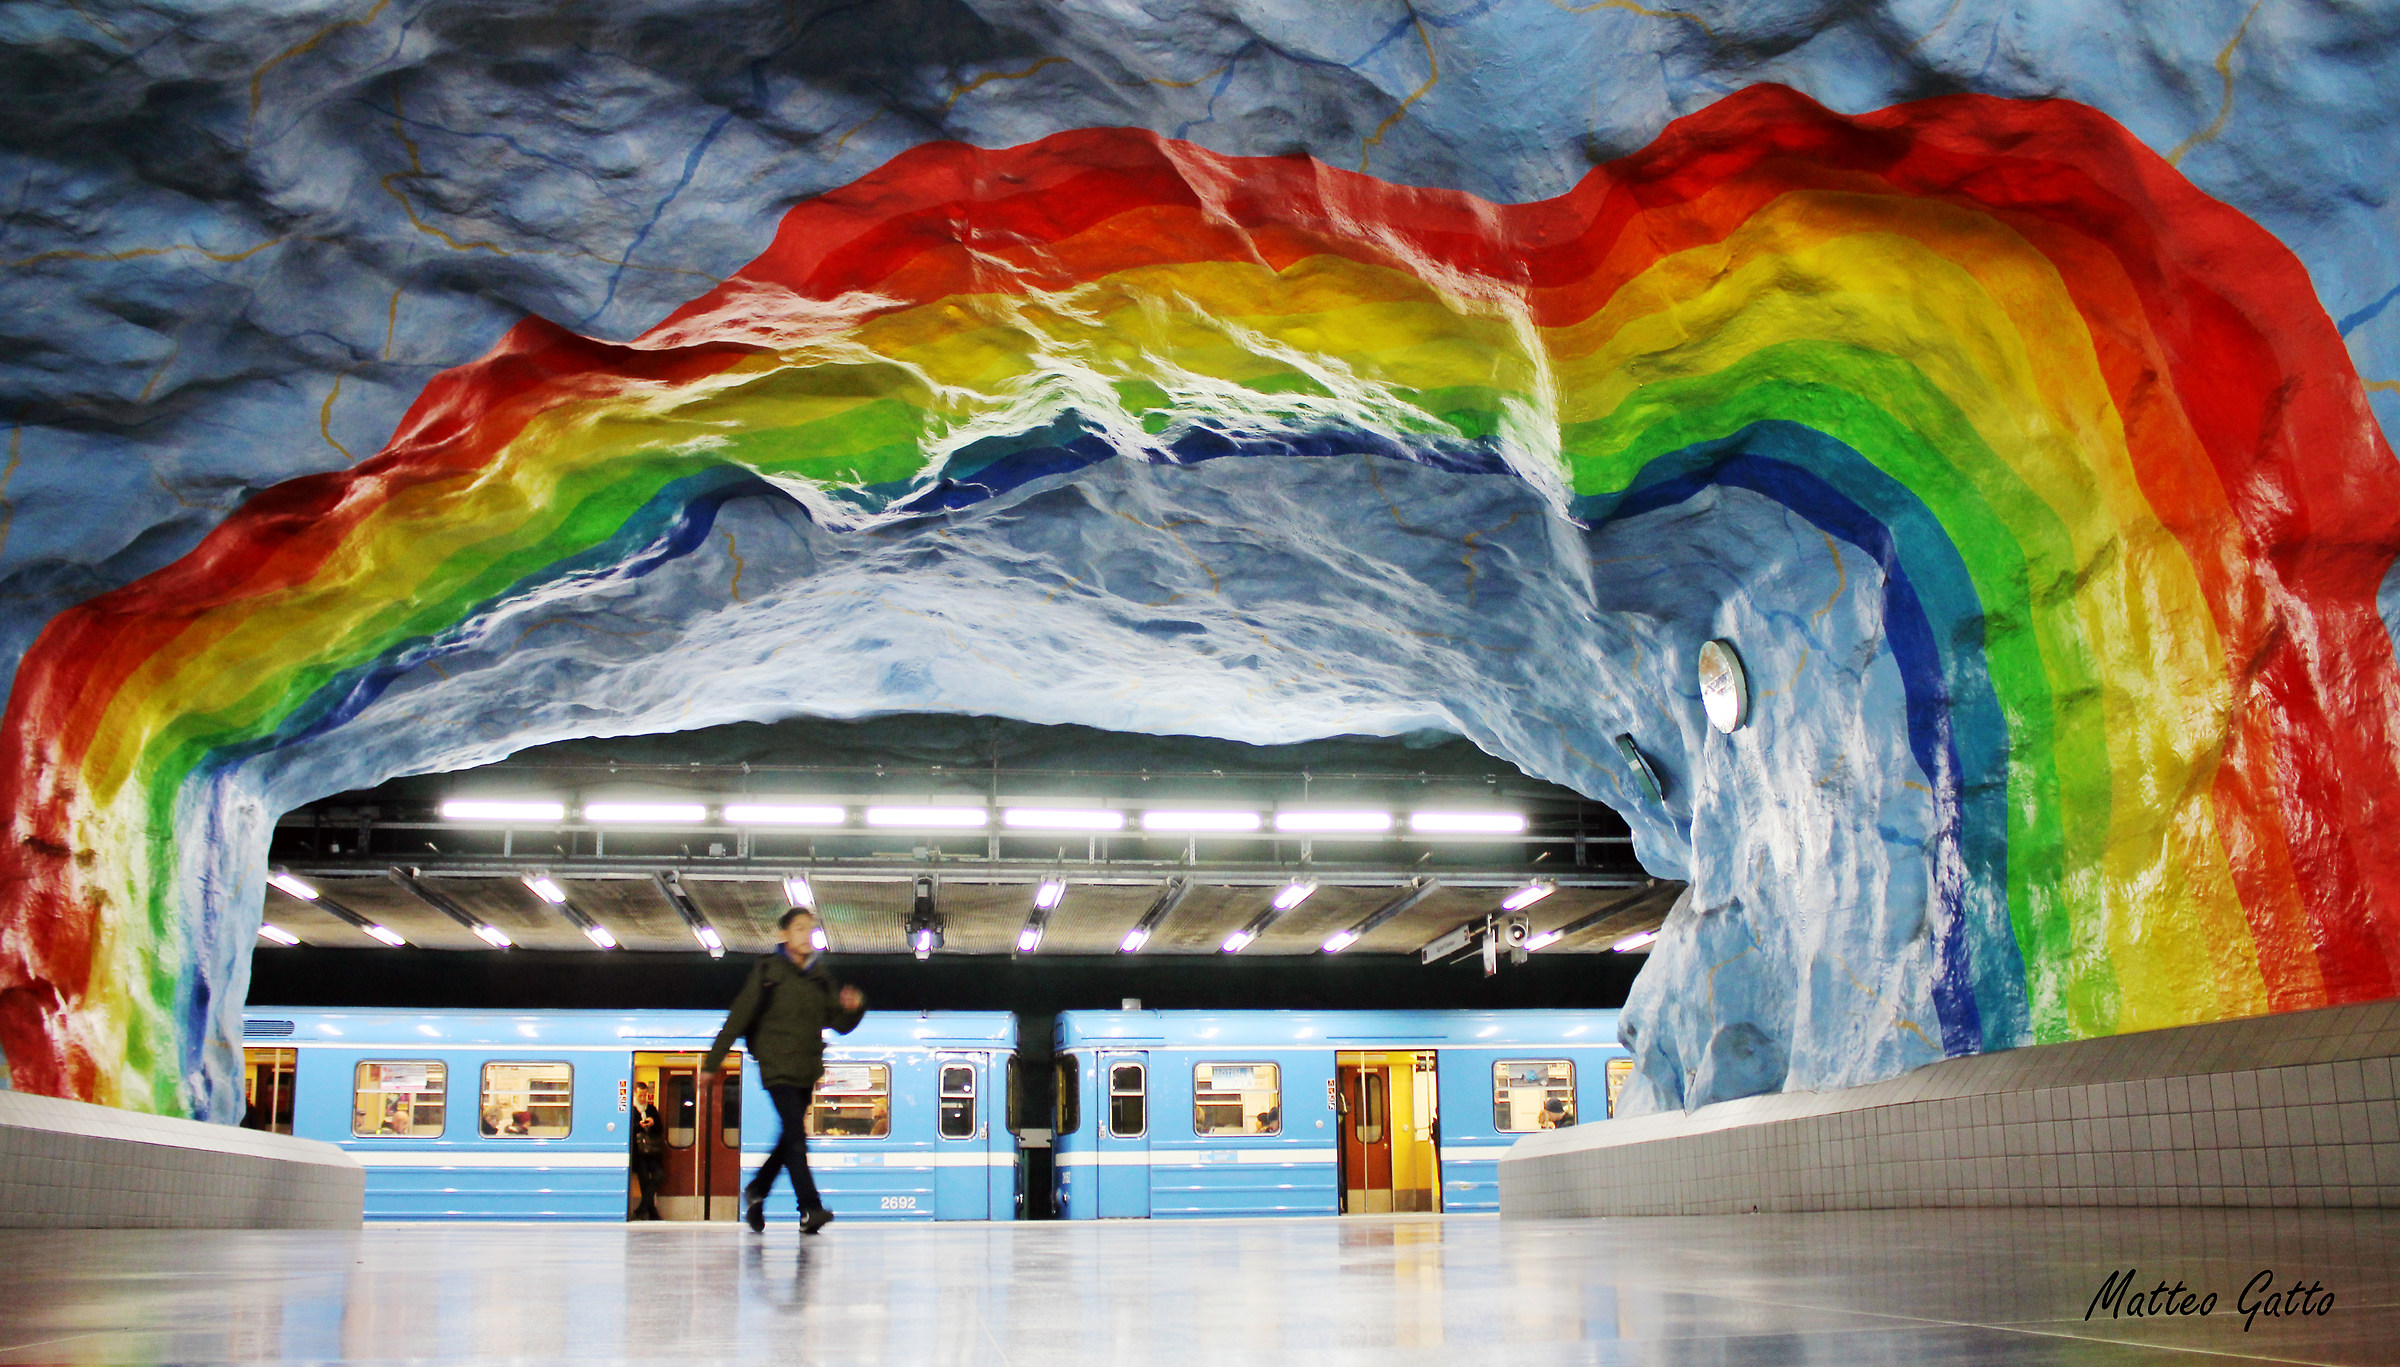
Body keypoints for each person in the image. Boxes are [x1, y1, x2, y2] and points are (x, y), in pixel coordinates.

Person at [703, 906, 866, 1234]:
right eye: (799, 928)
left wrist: (854, 1008)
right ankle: (809, 1208)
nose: (807, 935)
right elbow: (738, 1017)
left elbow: (839, 1024)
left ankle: (757, 1189)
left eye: (810, 929)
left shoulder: (820, 977)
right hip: (777, 1066)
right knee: (795, 1135)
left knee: (789, 1138)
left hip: (806, 1069)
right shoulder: (768, 971)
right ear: (784, 934)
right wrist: (711, 1063)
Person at [629, 1082, 666, 1220]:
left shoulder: (651, 1109)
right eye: (640, 1095)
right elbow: (628, 1130)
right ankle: (652, 1213)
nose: (643, 1098)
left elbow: (660, 1129)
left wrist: (653, 1123)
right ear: (635, 1094)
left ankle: (641, 1210)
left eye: (645, 1095)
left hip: (652, 1151)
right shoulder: (631, 1110)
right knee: (644, 1180)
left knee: (659, 1175)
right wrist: (639, 1126)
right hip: (638, 1153)